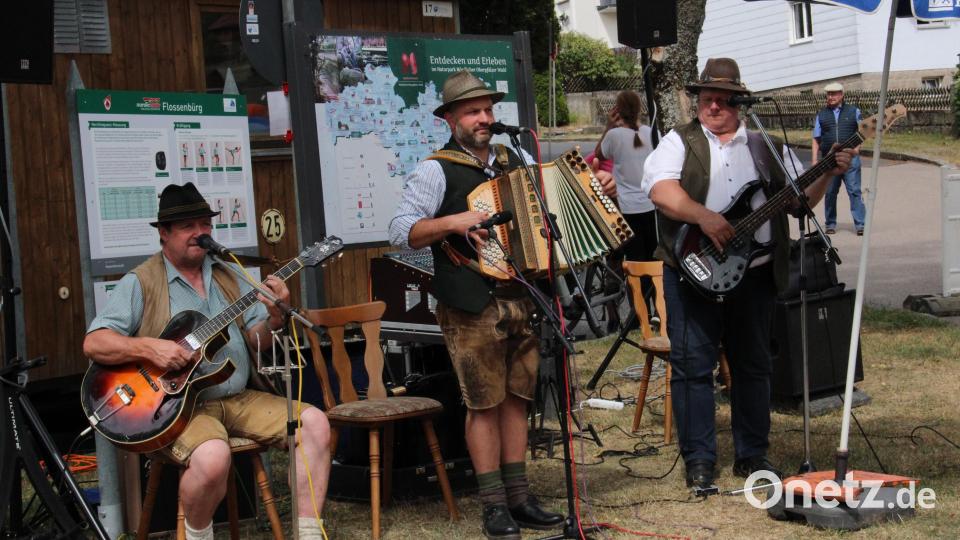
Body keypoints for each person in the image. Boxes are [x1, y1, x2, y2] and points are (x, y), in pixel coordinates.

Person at [641, 58, 855, 490]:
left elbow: (799, 202)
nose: (713, 107)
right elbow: (661, 192)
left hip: (753, 276)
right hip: (691, 269)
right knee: (692, 368)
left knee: (754, 365)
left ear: (741, 102)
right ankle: (699, 459)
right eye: (706, 99)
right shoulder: (678, 141)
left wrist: (829, 174)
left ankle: (752, 455)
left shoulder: (764, 146)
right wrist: (704, 217)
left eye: (722, 100)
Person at [83, 183, 331, 540]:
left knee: (316, 424)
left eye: (205, 224)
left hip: (238, 397)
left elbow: (256, 342)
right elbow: (95, 343)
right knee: (214, 457)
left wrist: (275, 318)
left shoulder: (231, 275)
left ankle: (308, 535)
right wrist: (152, 349)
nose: (200, 234)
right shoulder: (141, 282)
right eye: (188, 226)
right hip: (177, 408)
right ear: (164, 234)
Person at [389, 70, 564, 540]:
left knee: (518, 399)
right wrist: (452, 221)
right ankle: (493, 506)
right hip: (468, 301)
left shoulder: (516, 157)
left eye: (488, 109)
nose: (484, 118)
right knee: (484, 403)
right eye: (472, 111)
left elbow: (545, 207)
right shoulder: (435, 169)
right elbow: (399, 232)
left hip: (519, 294)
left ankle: (520, 497)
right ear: (450, 118)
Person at [595, 90, 656, 263]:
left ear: (618, 110)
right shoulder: (652, 133)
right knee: (653, 255)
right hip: (652, 204)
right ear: (639, 109)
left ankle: (637, 290)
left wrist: (609, 125)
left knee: (635, 258)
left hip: (627, 207)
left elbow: (599, 155)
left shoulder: (614, 136)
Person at [812, 82, 865, 236]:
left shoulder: (853, 111)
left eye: (834, 94)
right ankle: (830, 223)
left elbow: (863, 131)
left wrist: (857, 148)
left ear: (842, 95)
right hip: (829, 159)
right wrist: (815, 160)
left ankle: (860, 224)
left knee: (854, 190)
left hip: (850, 159)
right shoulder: (821, 114)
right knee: (829, 192)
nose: (831, 97)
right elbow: (816, 138)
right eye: (829, 94)